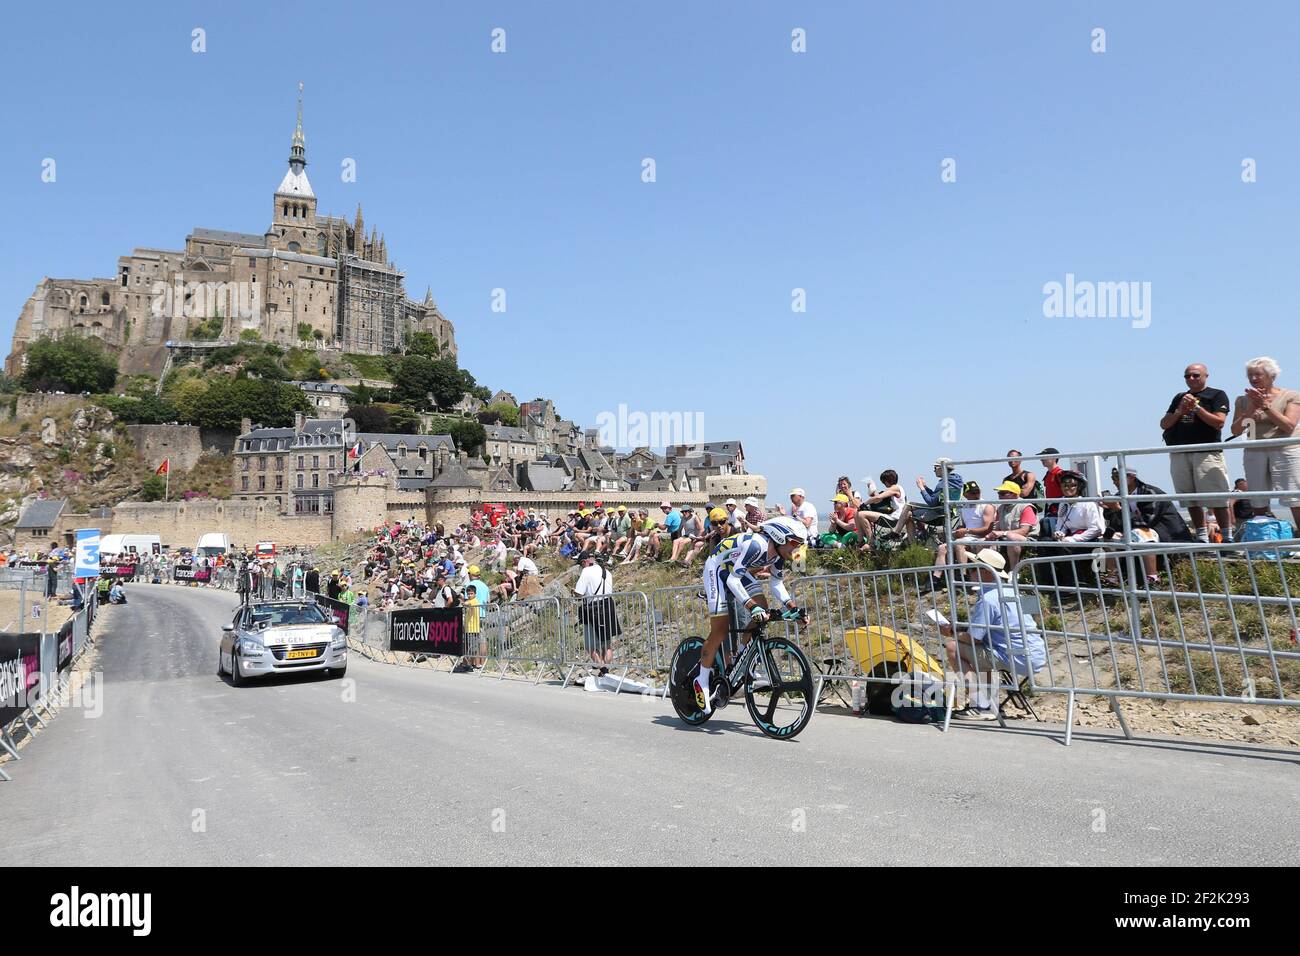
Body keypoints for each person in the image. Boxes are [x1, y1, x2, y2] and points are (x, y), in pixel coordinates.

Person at [693, 516, 808, 715]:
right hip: (717, 569)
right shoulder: (757, 545)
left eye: (799, 545)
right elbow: (732, 580)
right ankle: (701, 680)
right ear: (779, 537)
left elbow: (776, 583)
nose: (796, 548)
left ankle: (743, 662)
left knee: (762, 606)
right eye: (794, 543)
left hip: (737, 570)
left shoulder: (778, 556)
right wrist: (751, 606)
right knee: (720, 629)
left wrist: (792, 607)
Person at [939, 549, 1046, 720]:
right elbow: (1036, 620)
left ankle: (981, 704)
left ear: (986, 572)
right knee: (983, 650)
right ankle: (990, 704)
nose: (969, 571)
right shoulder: (1017, 591)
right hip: (1036, 653)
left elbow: (973, 638)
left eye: (974, 568)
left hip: (1014, 656)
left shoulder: (988, 598)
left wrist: (951, 632)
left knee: (953, 647)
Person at [1160, 362, 1233, 542]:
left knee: (1216, 496)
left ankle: (1227, 536)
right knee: (1189, 496)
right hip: (1181, 451)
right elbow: (1164, 424)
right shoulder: (1180, 397)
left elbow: (1219, 422)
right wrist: (1180, 411)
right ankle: (1201, 535)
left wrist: (1197, 408)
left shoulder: (1217, 394)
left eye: (1195, 375)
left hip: (1207, 451)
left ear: (1206, 376)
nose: (1191, 379)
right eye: (1187, 376)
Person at [1230, 356, 1300, 532]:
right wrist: (1252, 409)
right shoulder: (1242, 400)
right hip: (1255, 451)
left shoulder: (1291, 396)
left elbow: (1288, 425)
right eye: (1250, 375)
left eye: (1258, 375)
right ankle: (1264, 542)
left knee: (1295, 498)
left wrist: (1266, 407)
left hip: (1286, 450)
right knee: (1258, 498)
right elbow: (1236, 430)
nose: (1254, 379)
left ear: (1272, 376)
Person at [574, 550, 617, 677]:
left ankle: (603, 670)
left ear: (585, 561)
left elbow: (579, 593)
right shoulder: (607, 572)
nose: (582, 566)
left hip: (593, 608)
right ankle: (607, 671)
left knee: (589, 646)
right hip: (608, 605)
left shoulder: (586, 571)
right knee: (607, 644)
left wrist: (573, 592)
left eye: (581, 564)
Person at [984, 480, 1040, 569]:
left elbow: (1024, 531)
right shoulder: (1000, 508)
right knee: (981, 542)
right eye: (999, 493)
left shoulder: (1026, 507)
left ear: (1014, 495)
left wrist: (1003, 533)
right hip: (1006, 538)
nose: (999, 496)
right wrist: (991, 534)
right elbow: (997, 529)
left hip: (1028, 540)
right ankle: (988, 573)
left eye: (1003, 493)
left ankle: (1013, 572)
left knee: (1012, 538)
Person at [1036, 448, 1064, 537]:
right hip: (1050, 510)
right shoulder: (1049, 474)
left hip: (1059, 511)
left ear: (1054, 458)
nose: (1041, 460)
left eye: (1044, 457)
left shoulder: (1060, 474)